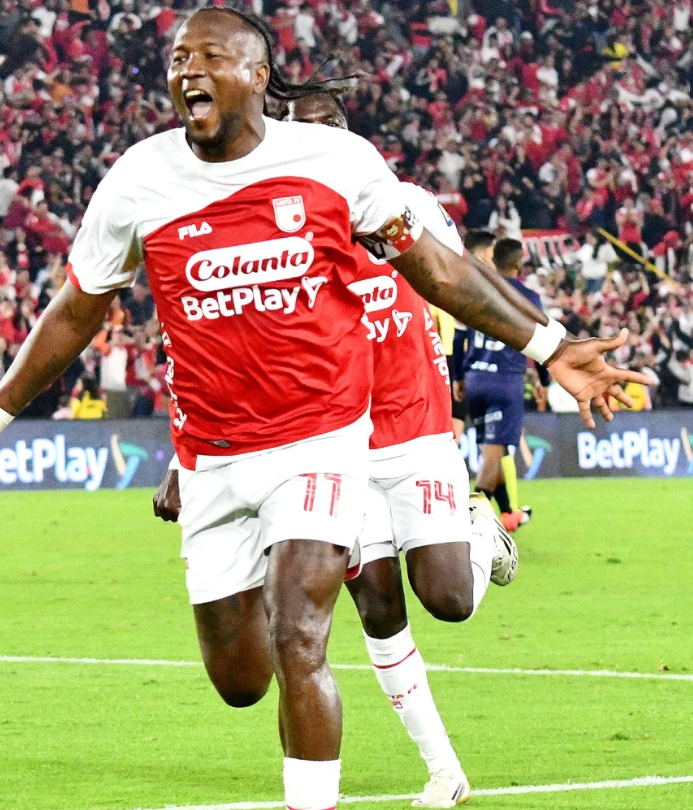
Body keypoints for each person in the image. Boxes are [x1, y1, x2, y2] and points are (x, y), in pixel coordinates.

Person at [0, 10, 648, 810]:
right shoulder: (138, 181)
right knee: (242, 680)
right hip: (214, 457)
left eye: (209, 56)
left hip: (324, 440)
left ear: (258, 76)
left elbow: (440, 270)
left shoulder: (339, 165)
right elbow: (77, 311)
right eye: (178, 57)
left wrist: (550, 346)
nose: (188, 69)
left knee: (303, 635)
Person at [155, 93, 513, 807]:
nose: (317, 141)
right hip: (328, 443)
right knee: (378, 610)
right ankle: (445, 770)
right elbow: (234, 344)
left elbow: (455, 279)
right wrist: (179, 457)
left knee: (447, 599)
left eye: (331, 129)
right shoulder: (271, 218)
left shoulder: (403, 201)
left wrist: (522, 347)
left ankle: (482, 532)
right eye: (304, 130)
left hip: (415, 428)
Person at [456, 239, 549, 532]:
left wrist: (458, 376)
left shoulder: (478, 288)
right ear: (519, 264)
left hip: (475, 379)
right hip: (505, 382)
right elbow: (542, 342)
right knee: (491, 458)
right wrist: (544, 381)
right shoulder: (529, 297)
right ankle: (470, 523)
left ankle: (508, 514)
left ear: (494, 261)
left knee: (493, 455)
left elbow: (459, 336)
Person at [439, 230, 497, 442]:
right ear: (482, 254)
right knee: (459, 416)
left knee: (453, 416)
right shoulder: (476, 281)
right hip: (460, 358)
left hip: (445, 355)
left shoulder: (446, 274)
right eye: (493, 252)